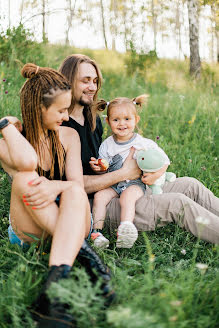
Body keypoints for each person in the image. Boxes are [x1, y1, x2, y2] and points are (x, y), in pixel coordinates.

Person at [59, 54, 219, 245]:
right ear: (68, 81)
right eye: (85, 81)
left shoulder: (93, 120)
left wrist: (153, 172)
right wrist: (124, 173)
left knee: (191, 185)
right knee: (177, 203)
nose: (93, 87)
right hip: (98, 203)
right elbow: (70, 185)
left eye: (95, 81)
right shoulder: (61, 127)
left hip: (127, 186)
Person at [0, 63, 114, 328]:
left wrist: (55, 187)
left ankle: (52, 294)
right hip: (31, 229)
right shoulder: (12, 141)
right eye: (61, 110)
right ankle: (85, 257)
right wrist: (5, 126)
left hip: (73, 218)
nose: (66, 116)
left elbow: (75, 185)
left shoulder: (69, 136)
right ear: (41, 108)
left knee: (72, 189)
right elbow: (27, 161)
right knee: (24, 178)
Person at [89, 95, 171, 249]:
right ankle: (96, 233)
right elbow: (104, 169)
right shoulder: (107, 145)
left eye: (127, 119)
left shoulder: (143, 143)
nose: (122, 124)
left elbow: (165, 160)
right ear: (108, 121)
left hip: (135, 183)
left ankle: (125, 229)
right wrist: (100, 168)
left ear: (136, 120)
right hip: (113, 183)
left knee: (127, 197)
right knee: (100, 196)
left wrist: (155, 175)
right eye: (116, 120)